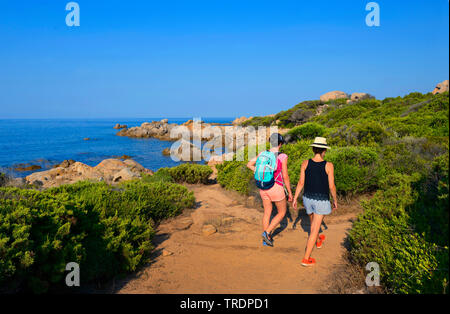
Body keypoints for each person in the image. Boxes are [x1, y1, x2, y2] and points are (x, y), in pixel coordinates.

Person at [292, 137, 338, 267]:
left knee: (313, 223)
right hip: (321, 200)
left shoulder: (305, 163)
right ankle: (306, 258)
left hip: (307, 198)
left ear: (313, 149)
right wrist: (335, 200)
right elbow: (331, 186)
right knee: (314, 229)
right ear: (324, 150)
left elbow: (301, 183)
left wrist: (295, 198)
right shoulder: (329, 165)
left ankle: (318, 240)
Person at [247, 133, 293, 247]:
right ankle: (267, 232)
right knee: (282, 213)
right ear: (280, 144)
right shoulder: (282, 156)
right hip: (276, 187)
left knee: (267, 212)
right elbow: (285, 176)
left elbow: (249, 164)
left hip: (263, 187)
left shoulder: (263, 153)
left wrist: (259, 171)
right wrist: (290, 192)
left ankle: (265, 240)